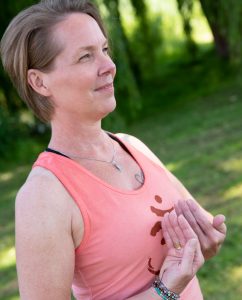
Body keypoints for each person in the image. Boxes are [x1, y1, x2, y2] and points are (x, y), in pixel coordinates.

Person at [0, 0, 226, 299]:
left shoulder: (133, 146)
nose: (109, 66)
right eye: (85, 56)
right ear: (39, 82)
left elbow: (199, 232)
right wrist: (164, 290)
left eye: (104, 50)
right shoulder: (43, 196)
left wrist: (205, 240)